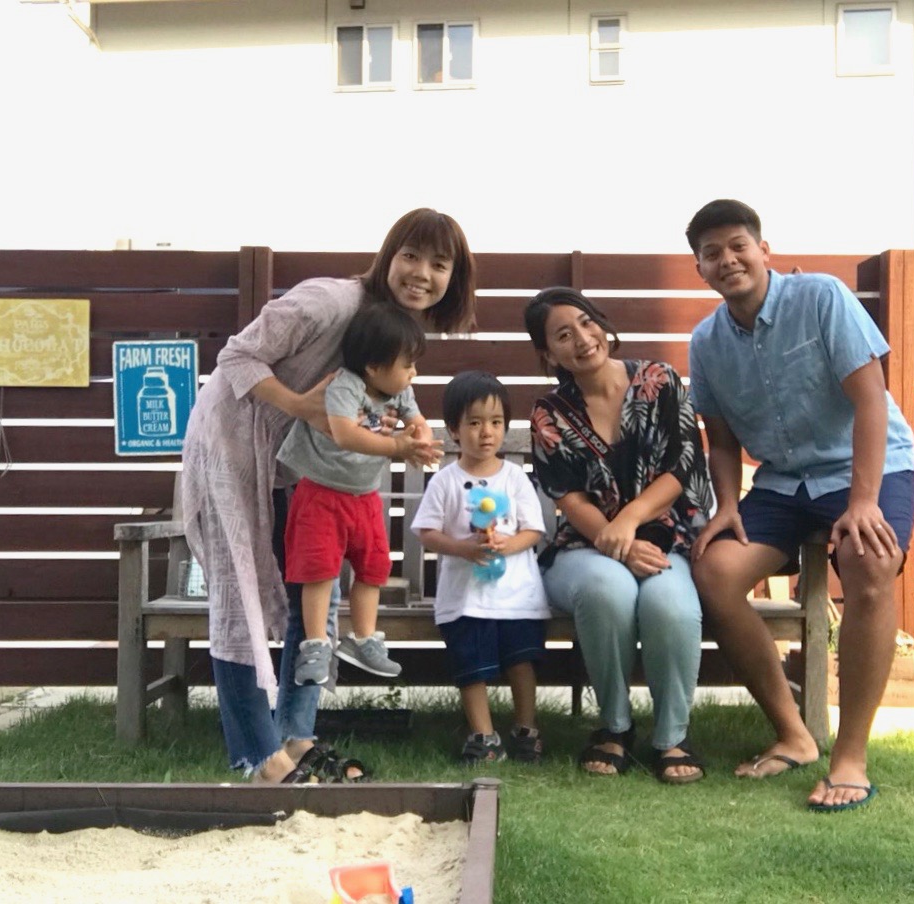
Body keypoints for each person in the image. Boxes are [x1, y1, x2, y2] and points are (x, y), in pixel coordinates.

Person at [180, 208, 476, 784]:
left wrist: (407, 434)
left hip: (293, 464)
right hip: (231, 447)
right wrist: (298, 405)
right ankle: (261, 759)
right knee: (240, 597)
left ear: (453, 278)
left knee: (313, 592)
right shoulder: (328, 302)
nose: (422, 273)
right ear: (388, 256)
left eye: (439, 265)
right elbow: (236, 356)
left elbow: (377, 406)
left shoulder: (393, 330)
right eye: (410, 256)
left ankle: (297, 738)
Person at [684, 198, 914, 812]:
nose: (728, 260)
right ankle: (794, 734)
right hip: (784, 483)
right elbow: (721, 438)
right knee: (714, 571)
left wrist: (863, 501)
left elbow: (871, 400)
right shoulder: (705, 342)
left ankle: (851, 756)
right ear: (700, 269)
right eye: (712, 253)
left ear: (764, 250)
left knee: (868, 560)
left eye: (739, 245)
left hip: (864, 465)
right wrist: (727, 504)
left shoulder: (822, 297)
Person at [524, 288, 714, 784]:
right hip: (585, 546)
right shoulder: (549, 413)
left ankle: (672, 735)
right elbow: (568, 498)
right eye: (563, 335)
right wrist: (620, 545)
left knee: (670, 607)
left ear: (602, 324)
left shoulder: (660, 381)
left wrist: (629, 522)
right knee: (607, 588)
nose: (582, 338)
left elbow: (682, 466)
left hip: (667, 539)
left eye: (587, 323)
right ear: (549, 354)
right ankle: (614, 725)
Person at [277, 301, 435, 687]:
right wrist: (397, 447)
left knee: (373, 567)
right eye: (407, 364)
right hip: (321, 495)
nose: (413, 372)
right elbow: (345, 434)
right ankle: (316, 644)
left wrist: (422, 440)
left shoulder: (401, 391)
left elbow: (418, 422)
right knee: (318, 571)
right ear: (374, 367)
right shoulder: (344, 386)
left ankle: (363, 640)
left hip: (365, 498)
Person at [411, 371, 550, 765]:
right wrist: (462, 549)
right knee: (471, 667)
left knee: (521, 661)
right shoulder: (445, 481)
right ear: (454, 429)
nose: (486, 432)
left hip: (517, 597)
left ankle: (526, 729)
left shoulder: (514, 478)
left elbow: (533, 530)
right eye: (474, 423)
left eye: (496, 422)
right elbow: (427, 532)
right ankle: (484, 736)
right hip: (466, 599)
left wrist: (506, 545)